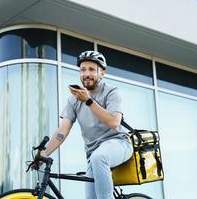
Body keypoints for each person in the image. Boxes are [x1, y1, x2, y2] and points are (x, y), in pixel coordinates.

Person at [41, 50, 133, 199]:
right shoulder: (73, 100)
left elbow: (114, 122)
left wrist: (88, 101)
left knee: (99, 157)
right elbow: (62, 131)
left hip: (119, 143)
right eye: (83, 69)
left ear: (102, 73)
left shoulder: (111, 92)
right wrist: (43, 154)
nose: (86, 74)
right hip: (94, 155)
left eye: (91, 69)